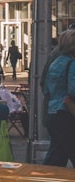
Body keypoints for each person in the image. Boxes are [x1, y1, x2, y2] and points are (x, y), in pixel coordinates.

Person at [43, 28, 75, 167]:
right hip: (66, 112)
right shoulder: (72, 63)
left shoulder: (55, 63)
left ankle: (44, 176)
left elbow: (46, 88)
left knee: (57, 153)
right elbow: (73, 90)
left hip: (52, 112)